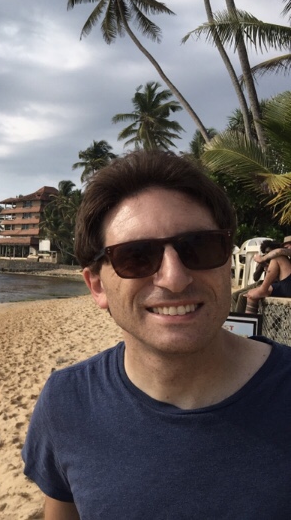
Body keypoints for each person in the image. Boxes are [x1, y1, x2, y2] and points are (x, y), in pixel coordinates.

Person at [22, 151, 291, 519]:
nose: (174, 278)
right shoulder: (67, 403)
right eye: (136, 256)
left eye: (198, 247)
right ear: (97, 286)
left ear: (226, 262)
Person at [245, 239, 291, 313]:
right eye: (284, 246)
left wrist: (262, 259)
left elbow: (279, 251)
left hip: (286, 286)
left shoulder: (279, 255)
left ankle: (263, 289)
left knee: (277, 257)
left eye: (288, 245)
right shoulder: (287, 261)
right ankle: (248, 319)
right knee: (251, 294)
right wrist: (264, 265)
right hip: (283, 285)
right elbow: (255, 277)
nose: (286, 248)